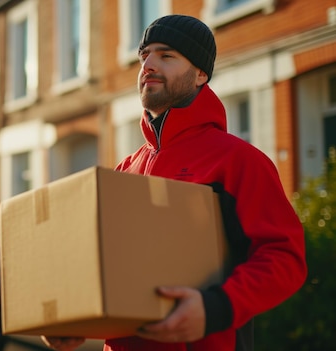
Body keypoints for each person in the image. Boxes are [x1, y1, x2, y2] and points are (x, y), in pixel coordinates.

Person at [42, 14, 307, 351]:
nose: (148, 65)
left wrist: (215, 308)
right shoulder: (124, 170)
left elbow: (285, 258)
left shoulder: (239, 161)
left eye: (166, 56)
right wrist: (76, 317)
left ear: (200, 74)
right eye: (144, 56)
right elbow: (105, 265)